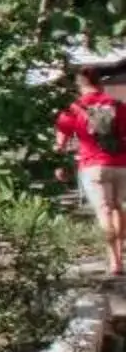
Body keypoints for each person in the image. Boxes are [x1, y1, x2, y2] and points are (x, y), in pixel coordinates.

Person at [55, 63, 126, 277]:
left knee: (103, 210)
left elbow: (60, 144)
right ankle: (121, 256)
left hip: (92, 166)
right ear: (100, 84)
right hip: (122, 164)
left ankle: (113, 262)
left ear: (79, 86)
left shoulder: (73, 109)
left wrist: (59, 163)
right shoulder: (118, 105)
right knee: (119, 208)